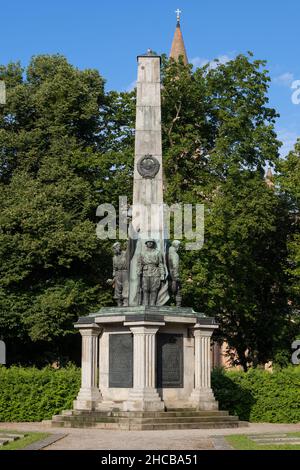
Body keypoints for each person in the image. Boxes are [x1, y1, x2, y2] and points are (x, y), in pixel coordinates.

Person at [137, 239, 165, 306]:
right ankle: (145, 304)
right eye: (148, 242)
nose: (150, 243)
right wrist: (139, 271)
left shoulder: (158, 252)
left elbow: (161, 264)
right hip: (145, 272)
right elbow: (139, 263)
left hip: (155, 272)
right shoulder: (142, 253)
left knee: (154, 289)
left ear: (153, 243)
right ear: (146, 244)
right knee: (145, 289)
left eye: (151, 242)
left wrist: (162, 274)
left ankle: (152, 304)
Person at [111, 242, 129, 307]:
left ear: (119, 247)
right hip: (117, 273)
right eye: (113, 249)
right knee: (117, 288)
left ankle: (125, 302)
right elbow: (114, 268)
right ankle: (119, 302)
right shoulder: (114, 258)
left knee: (126, 286)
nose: (114, 250)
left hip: (125, 272)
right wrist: (113, 276)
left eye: (115, 248)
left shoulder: (125, 253)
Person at [168, 240, 182, 307]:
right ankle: (178, 305)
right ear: (177, 246)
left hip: (168, 274)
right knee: (178, 290)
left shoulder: (168, 253)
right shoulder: (175, 254)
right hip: (173, 275)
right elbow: (175, 265)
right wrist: (176, 276)